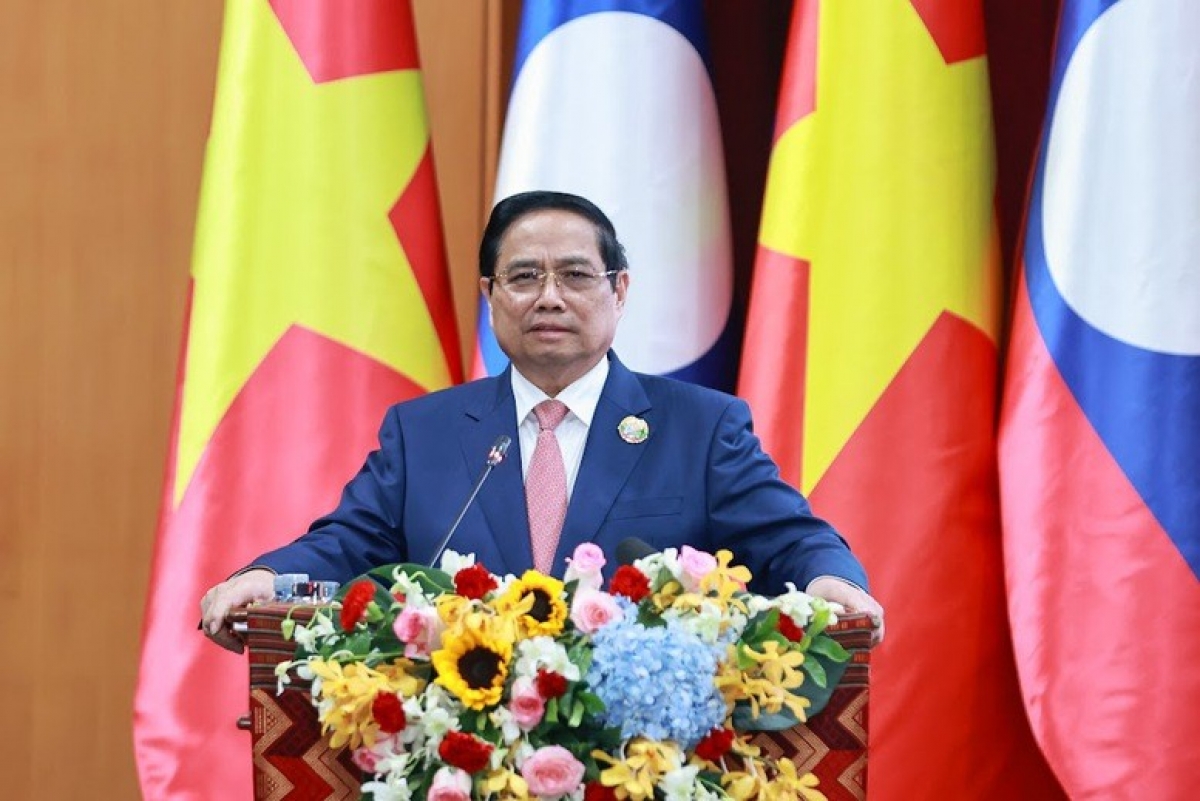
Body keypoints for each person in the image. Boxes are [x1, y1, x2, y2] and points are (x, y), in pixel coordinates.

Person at [201, 190, 884, 652]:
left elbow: (791, 540)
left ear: (619, 290)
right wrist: (267, 578)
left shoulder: (700, 429)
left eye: (576, 276)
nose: (549, 297)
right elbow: (348, 543)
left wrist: (835, 583)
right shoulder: (424, 433)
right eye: (524, 276)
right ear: (490, 295)